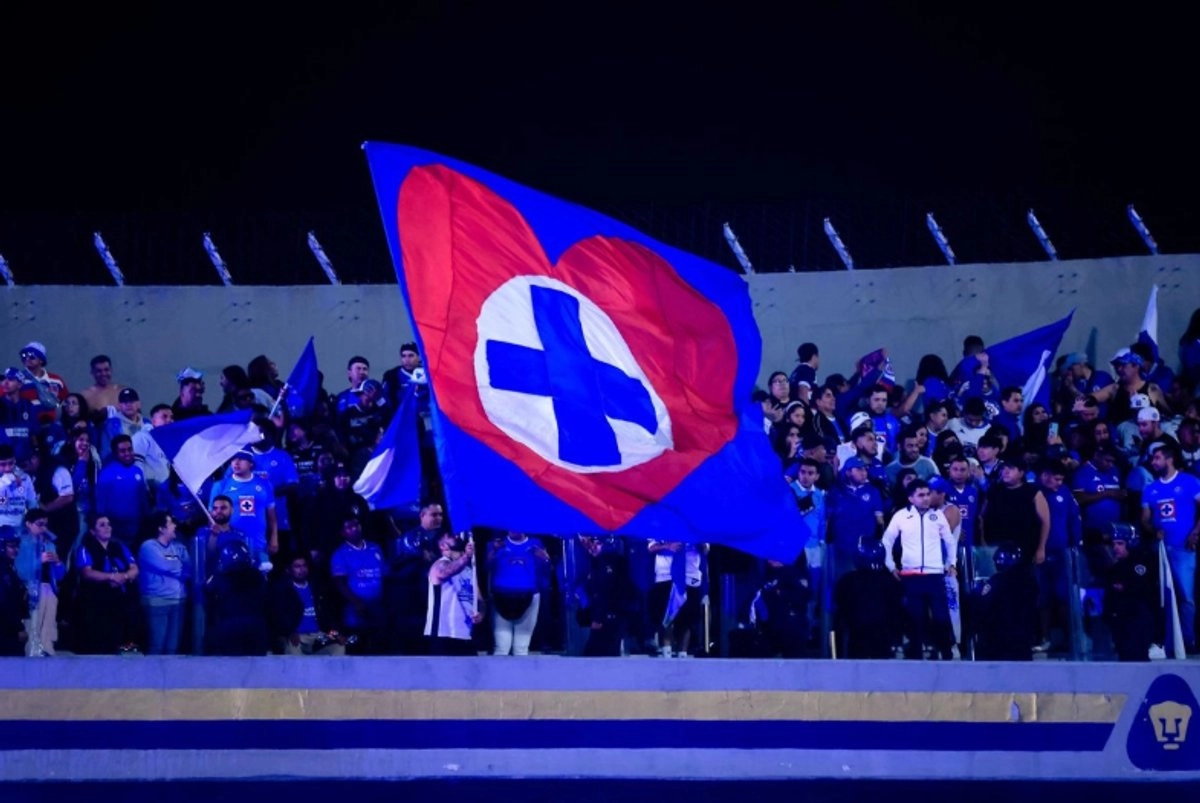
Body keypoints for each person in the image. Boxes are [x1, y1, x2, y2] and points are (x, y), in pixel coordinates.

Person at [882, 479, 958, 659]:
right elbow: (887, 540)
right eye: (921, 495)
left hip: (934, 575)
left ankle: (946, 653)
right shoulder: (901, 516)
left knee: (941, 618)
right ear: (911, 498)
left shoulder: (938, 515)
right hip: (911, 575)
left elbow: (949, 541)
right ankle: (916, 656)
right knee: (915, 619)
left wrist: (951, 563)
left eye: (928, 494)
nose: (926, 498)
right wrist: (890, 565)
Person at [1141, 439, 1200, 653]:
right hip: (1160, 550)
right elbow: (1145, 519)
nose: (1153, 462)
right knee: (1162, 596)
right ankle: (1166, 640)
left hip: (1184, 548)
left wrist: (1195, 532)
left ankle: (1188, 640)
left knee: (1186, 596)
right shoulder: (1150, 489)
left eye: (1157, 458)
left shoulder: (1190, 482)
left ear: (1169, 459)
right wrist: (1151, 529)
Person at [74, 514, 140, 655]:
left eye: (108, 524)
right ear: (92, 531)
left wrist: (124, 576)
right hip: (96, 603)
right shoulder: (86, 548)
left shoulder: (120, 546)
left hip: (120, 601)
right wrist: (111, 577)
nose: (107, 527)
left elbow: (134, 568)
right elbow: (87, 572)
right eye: (102, 525)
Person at [833, 539, 903, 659]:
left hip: (858, 636)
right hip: (881, 637)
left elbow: (839, 604)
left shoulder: (847, 581)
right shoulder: (891, 582)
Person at [969, 542, 1038, 661]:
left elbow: (982, 607)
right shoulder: (1029, 581)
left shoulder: (996, 582)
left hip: (998, 644)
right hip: (1020, 643)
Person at [269, 553, 345, 656]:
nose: (302, 569)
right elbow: (278, 617)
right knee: (292, 648)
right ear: (288, 570)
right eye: (297, 566)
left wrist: (335, 633)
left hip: (318, 635)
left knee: (338, 647)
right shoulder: (282, 590)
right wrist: (290, 632)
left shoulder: (317, 588)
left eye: (304, 565)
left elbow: (327, 616)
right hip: (297, 636)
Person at [488, 531, 550, 656]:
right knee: (501, 647)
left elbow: (546, 571)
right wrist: (493, 551)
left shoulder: (536, 544)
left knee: (521, 647)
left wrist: (545, 559)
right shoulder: (497, 544)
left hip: (529, 596)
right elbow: (487, 567)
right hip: (501, 597)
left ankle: (520, 675)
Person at [330, 515, 386, 652]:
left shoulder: (375, 548)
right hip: (356, 606)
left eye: (356, 525)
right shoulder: (340, 554)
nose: (354, 529)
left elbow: (385, 574)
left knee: (381, 643)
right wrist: (356, 602)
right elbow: (340, 583)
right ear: (343, 533)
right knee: (359, 644)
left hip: (378, 604)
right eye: (349, 527)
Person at [1104, 524, 1159, 662]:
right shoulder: (1114, 569)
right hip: (1120, 622)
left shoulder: (1142, 564)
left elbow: (1138, 590)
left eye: (1120, 543)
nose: (1115, 547)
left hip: (1137, 621)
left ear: (1131, 543)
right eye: (1114, 544)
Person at [137, 511, 190, 655]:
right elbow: (167, 566)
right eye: (171, 523)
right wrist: (177, 566)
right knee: (157, 646)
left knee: (172, 648)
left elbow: (189, 568)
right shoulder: (148, 547)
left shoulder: (178, 546)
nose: (175, 525)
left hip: (178, 602)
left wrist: (175, 567)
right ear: (161, 528)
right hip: (157, 602)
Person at [206, 541, 268, 656]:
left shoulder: (221, 578)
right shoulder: (258, 575)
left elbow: (208, 590)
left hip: (230, 625)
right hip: (255, 625)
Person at [425, 532, 482, 655]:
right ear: (443, 546)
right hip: (444, 634)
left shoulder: (469, 569)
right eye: (450, 537)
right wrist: (467, 556)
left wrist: (481, 613)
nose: (456, 536)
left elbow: (480, 600)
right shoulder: (439, 564)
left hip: (467, 634)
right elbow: (446, 571)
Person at [0, 527, 27, 656]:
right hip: (5, 631)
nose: (16, 550)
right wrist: (18, 628)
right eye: (11, 546)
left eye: (17, 546)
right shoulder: (3, 570)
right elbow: (5, 602)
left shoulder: (8, 567)